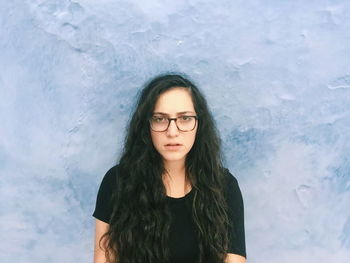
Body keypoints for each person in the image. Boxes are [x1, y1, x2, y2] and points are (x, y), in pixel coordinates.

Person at [92, 73, 246, 263]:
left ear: (199, 124)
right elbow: (104, 259)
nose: (172, 132)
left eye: (185, 118)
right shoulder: (117, 182)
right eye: (160, 119)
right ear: (146, 126)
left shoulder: (225, 186)